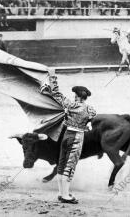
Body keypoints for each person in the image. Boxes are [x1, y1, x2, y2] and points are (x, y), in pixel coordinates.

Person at [41, 75, 96, 204]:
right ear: (85, 97)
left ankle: (61, 193)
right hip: (77, 138)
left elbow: (57, 94)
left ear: (77, 96)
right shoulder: (90, 109)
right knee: (69, 166)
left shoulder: (70, 105)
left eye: (75, 95)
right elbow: (91, 122)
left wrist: (53, 80)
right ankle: (65, 196)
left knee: (61, 164)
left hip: (66, 136)